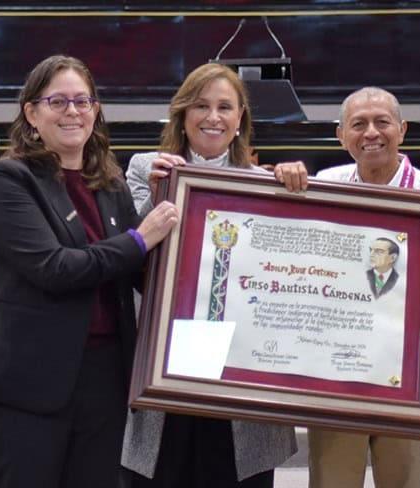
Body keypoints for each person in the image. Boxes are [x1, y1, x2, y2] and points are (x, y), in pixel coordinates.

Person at [0, 55, 178, 488]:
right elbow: (55, 268)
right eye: (58, 101)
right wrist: (142, 237)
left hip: (106, 378)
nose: (73, 112)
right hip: (30, 383)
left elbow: (136, 272)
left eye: (83, 101)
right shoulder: (9, 179)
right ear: (31, 112)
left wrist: (185, 205)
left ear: (96, 110)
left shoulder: (111, 183)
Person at [275, 86, 420, 488]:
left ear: (403, 129)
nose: (371, 133)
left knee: (405, 481)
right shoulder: (322, 187)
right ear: (341, 135)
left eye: (382, 122)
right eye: (358, 124)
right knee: (332, 481)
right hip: (337, 371)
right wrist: (280, 175)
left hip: (410, 376)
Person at [121, 63, 297, 488]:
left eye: (225, 107)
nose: (213, 117)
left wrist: (295, 189)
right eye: (201, 105)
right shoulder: (147, 169)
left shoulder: (267, 183)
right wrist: (160, 194)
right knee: (163, 471)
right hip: (168, 358)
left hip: (241, 365)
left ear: (240, 120)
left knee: (233, 470)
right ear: (182, 114)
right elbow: (128, 256)